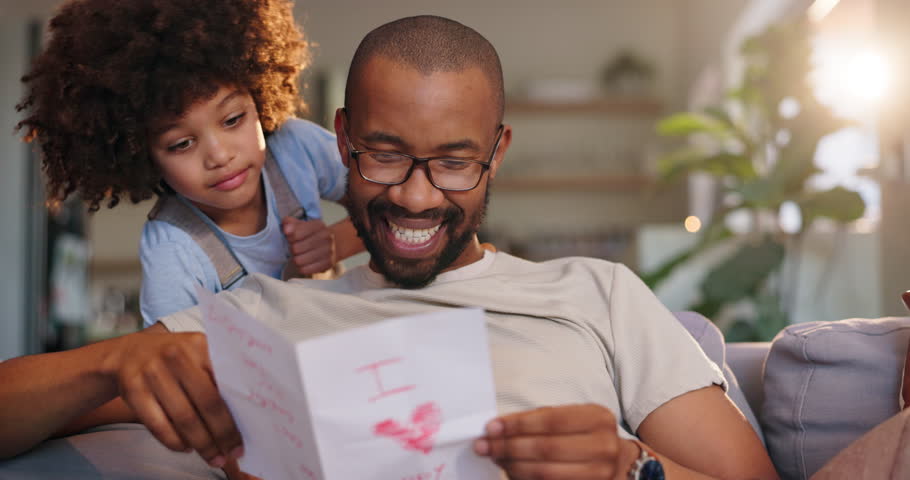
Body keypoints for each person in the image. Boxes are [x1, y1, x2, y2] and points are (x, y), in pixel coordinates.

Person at [1, 15, 779, 480]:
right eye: (383, 154)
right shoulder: (254, 313)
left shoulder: (594, 292)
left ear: (497, 153)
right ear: (339, 141)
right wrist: (109, 361)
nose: (414, 195)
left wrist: (632, 470)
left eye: (452, 161)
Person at [16, 0, 364, 326]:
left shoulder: (295, 148)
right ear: (142, 156)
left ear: (258, 99)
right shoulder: (174, 246)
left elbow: (395, 198)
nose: (219, 155)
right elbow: (178, 363)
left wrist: (337, 242)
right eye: (182, 143)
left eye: (232, 120)